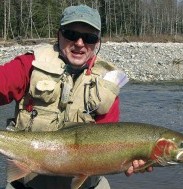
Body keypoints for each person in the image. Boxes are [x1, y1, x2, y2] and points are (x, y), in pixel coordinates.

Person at [0, 4, 152, 189]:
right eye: (71, 34)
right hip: (27, 182)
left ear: (97, 42)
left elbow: (109, 140)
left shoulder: (107, 83)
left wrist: (127, 160)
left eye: (89, 37)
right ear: (59, 34)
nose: (80, 43)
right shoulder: (29, 65)